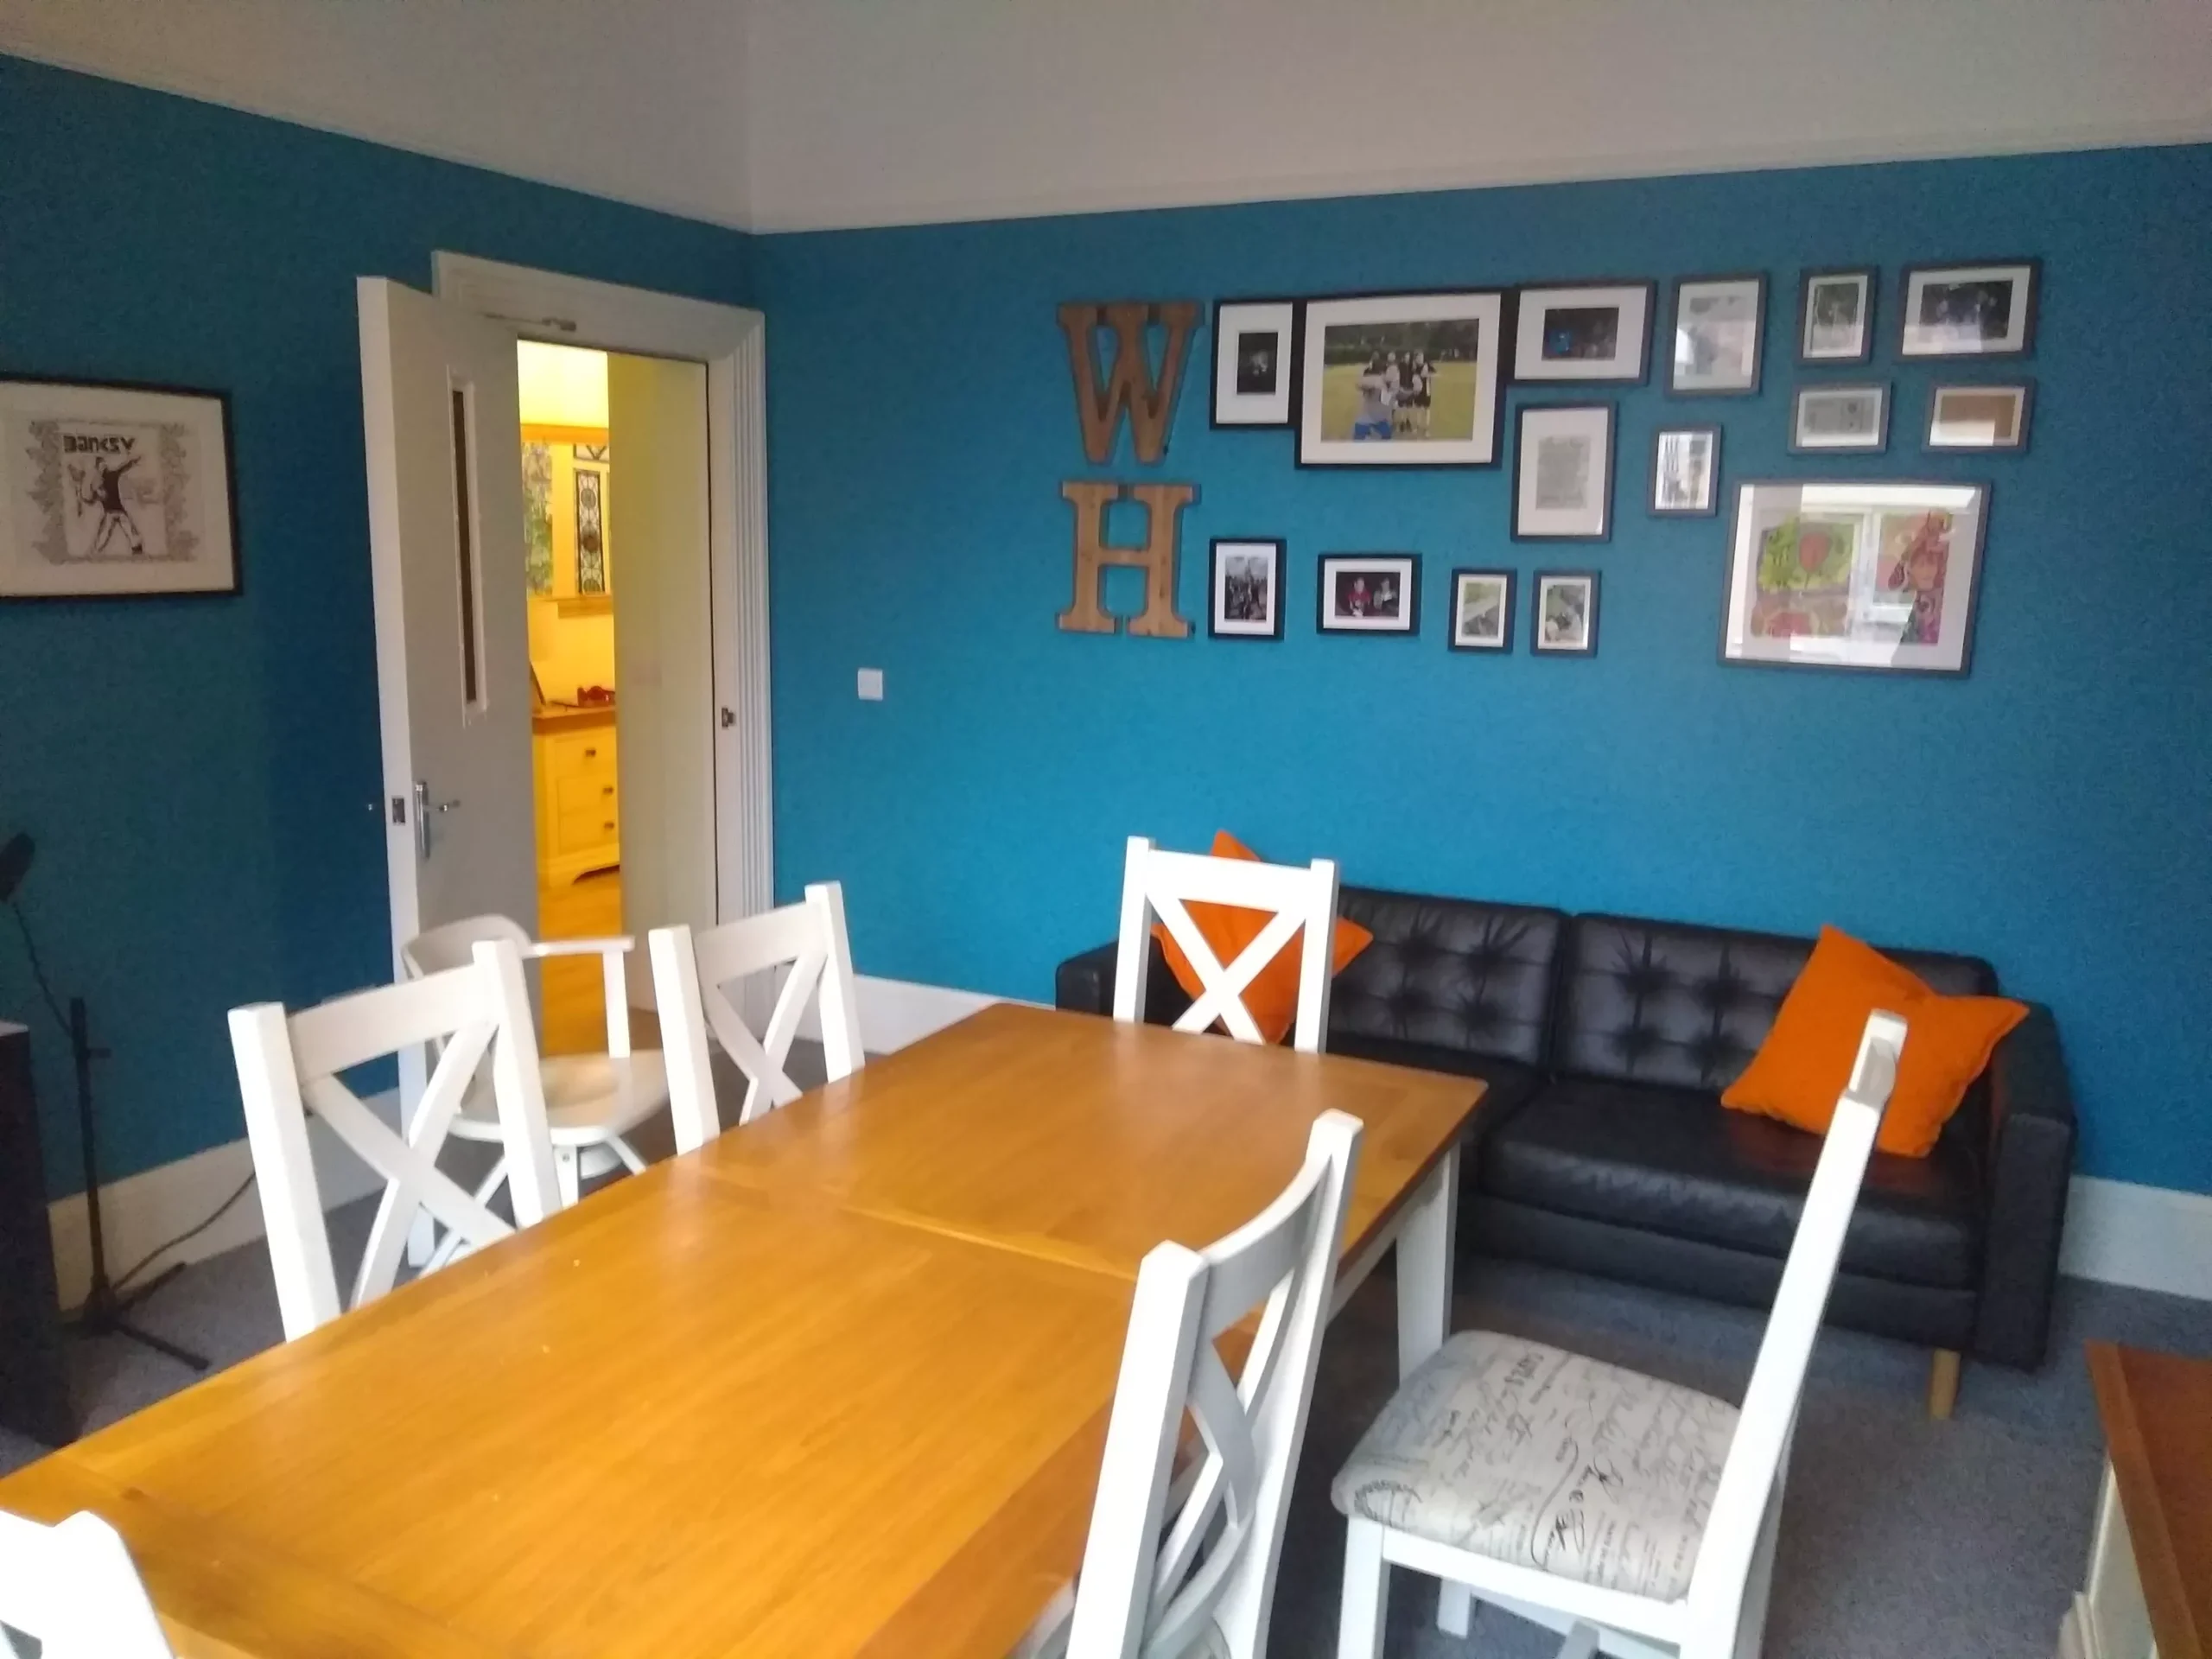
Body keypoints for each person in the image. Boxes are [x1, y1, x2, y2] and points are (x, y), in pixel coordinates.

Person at [75, 451, 146, 557]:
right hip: (115, 511)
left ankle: (95, 552)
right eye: (102, 465)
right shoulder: (103, 480)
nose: (103, 467)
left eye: (103, 465)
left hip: (113, 511)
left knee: (109, 533)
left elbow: (91, 498)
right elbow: (124, 467)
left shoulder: (100, 481)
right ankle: (136, 550)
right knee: (115, 532)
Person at [1351, 352, 1394, 441]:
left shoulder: (1384, 382)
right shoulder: (1376, 379)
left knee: (1386, 435)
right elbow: (1359, 384)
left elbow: (1359, 384)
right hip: (1371, 417)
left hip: (1377, 418)